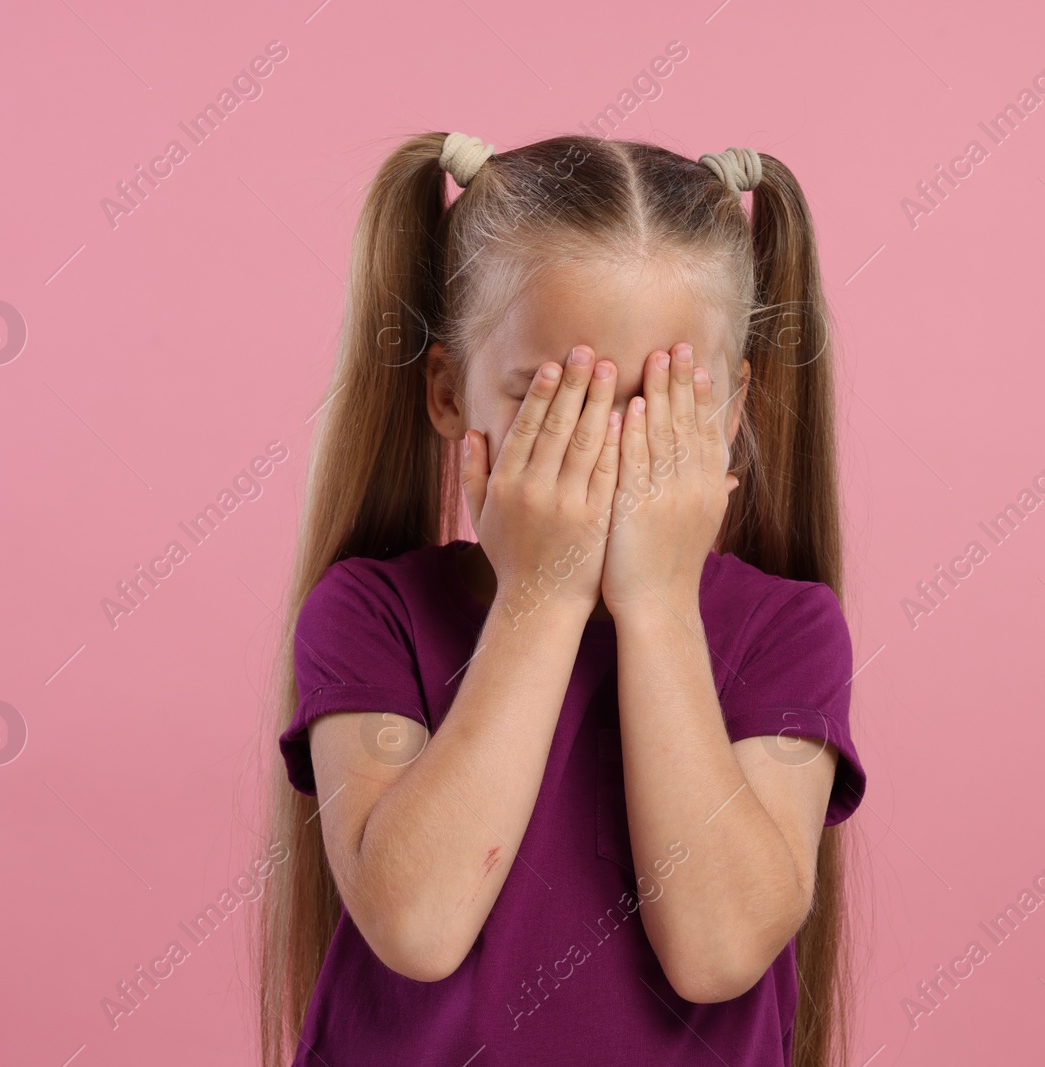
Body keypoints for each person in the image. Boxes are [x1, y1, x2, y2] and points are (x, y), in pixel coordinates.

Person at [256, 130, 868, 1066]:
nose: (606, 456)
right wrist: (538, 599)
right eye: (557, 403)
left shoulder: (785, 631)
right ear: (449, 394)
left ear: (731, 415)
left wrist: (660, 605)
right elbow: (418, 925)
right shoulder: (371, 613)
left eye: (656, 407)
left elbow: (717, 949)